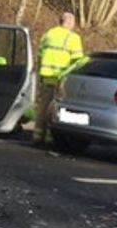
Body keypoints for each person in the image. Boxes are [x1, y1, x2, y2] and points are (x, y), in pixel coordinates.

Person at [36, 12, 84, 145]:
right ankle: (51, 138)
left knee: (43, 106)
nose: (74, 25)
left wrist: (40, 73)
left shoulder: (48, 34)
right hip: (61, 78)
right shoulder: (73, 38)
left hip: (46, 75)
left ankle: (38, 135)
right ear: (69, 22)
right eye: (73, 22)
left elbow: (39, 55)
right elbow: (78, 61)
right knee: (57, 108)